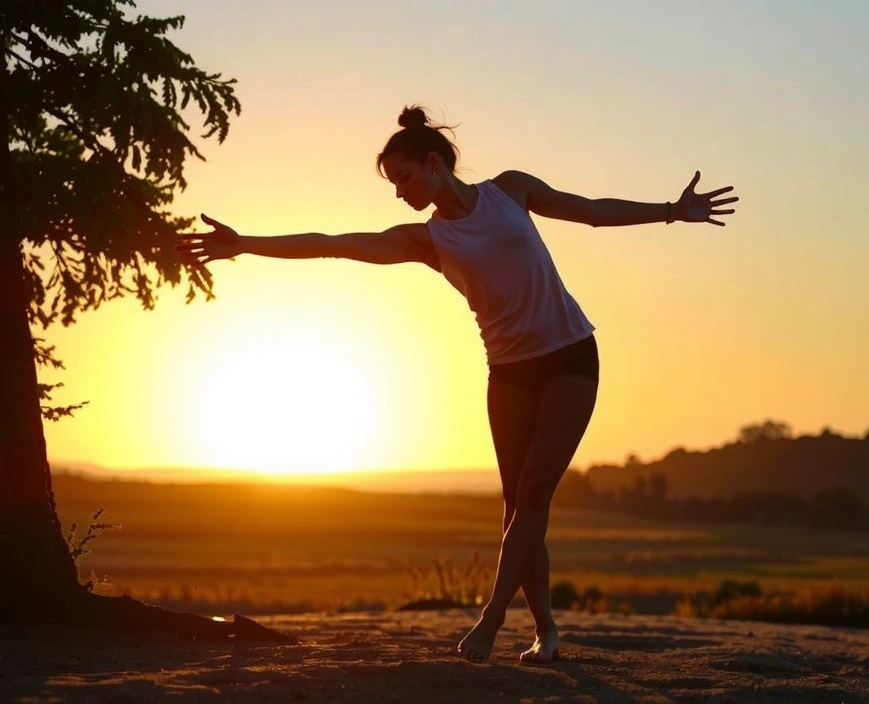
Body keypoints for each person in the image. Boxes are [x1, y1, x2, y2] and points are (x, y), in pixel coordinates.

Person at [176, 105, 738, 663]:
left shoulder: (510, 190)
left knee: (536, 492)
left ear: (435, 162)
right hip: (510, 371)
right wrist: (246, 243)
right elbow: (333, 241)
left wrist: (671, 210)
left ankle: (491, 619)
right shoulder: (425, 240)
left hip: (570, 354)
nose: (399, 192)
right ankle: (546, 631)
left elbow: (590, 211)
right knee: (518, 504)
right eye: (394, 183)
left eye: (405, 177)